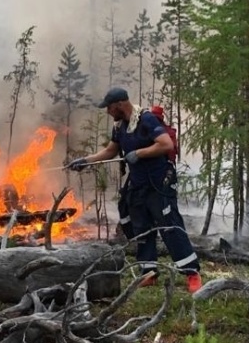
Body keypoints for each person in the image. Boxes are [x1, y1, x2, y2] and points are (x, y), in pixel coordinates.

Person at [67, 87, 202, 293]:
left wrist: (139, 153)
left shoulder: (146, 119)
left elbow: (165, 144)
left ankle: (192, 272)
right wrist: (86, 161)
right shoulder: (120, 125)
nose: (108, 112)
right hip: (138, 184)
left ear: (120, 104)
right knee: (141, 227)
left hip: (159, 183)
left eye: (109, 108)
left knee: (169, 226)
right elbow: (111, 150)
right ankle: (149, 273)